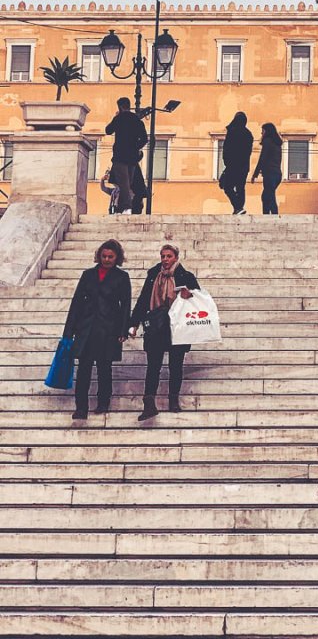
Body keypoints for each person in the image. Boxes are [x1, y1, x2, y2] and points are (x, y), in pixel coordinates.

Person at [129, 242, 200, 420]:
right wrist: (134, 323)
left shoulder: (186, 276)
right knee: (153, 365)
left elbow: (199, 299)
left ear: (176, 257)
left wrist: (189, 295)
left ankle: (173, 400)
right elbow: (144, 299)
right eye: (163, 256)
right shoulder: (154, 276)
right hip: (156, 324)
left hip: (178, 326)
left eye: (169, 256)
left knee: (176, 364)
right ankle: (149, 402)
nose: (165, 260)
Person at [62, 239, 131, 420]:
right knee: (83, 369)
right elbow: (76, 302)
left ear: (117, 258)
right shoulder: (88, 275)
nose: (107, 259)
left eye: (110, 257)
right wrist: (69, 330)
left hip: (108, 330)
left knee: (104, 368)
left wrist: (123, 330)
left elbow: (125, 305)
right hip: (86, 329)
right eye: (104, 256)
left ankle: (103, 403)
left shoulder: (122, 277)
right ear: (99, 256)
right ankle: (81, 408)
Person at [104, 97, 147, 215]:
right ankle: (123, 208)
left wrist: (116, 117)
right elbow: (144, 139)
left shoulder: (119, 118)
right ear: (129, 105)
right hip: (132, 158)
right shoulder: (137, 120)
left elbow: (108, 130)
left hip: (120, 156)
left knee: (123, 183)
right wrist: (136, 148)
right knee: (128, 182)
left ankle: (127, 208)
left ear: (120, 107)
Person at [220, 111, 254, 215]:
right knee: (240, 187)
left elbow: (226, 148)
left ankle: (238, 207)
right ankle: (239, 208)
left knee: (228, 187)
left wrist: (227, 162)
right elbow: (248, 152)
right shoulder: (248, 134)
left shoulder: (232, 131)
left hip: (233, 165)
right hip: (244, 166)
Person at [251, 122, 283, 215]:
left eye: (263, 131)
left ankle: (273, 216)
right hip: (277, 174)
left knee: (269, 196)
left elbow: (262, 158)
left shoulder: (267, 141)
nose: (261, 133)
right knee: (266, 196)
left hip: (270, 174)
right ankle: (267, 215)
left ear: (267, 132)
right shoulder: (277, 144)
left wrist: (255, 174)